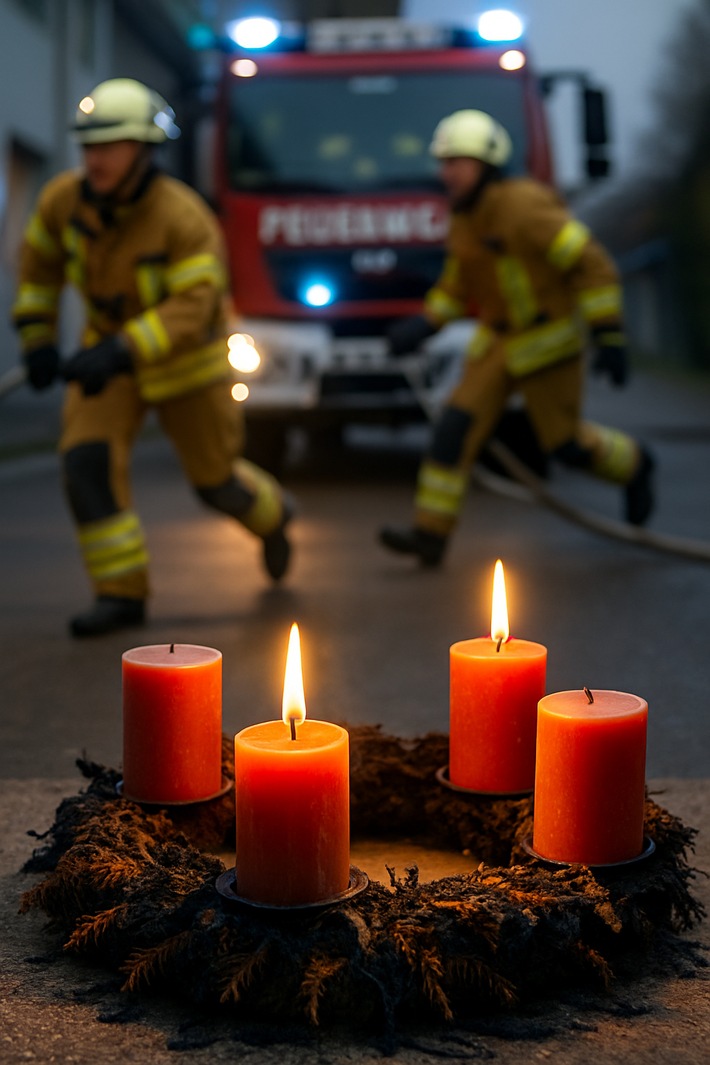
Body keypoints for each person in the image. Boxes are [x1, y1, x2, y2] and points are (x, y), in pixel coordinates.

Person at [12, 78, 294, 636]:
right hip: (108, 360)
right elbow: (38, 273)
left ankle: (273, 517)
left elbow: (193, 306)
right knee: (85, 462)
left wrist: (122, 347)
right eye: (89, 146)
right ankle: (120, 594)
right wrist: (37, 340)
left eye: (110, 146)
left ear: (144, 151)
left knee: (216, 483)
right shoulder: (62, 202)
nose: (95, 159)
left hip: (188, 368)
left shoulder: (184, 218)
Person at [379, 109, 655, 566]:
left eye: (456, 163)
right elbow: (455, 288)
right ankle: (430, 534)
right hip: (496, 347)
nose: (446, 173)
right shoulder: (464, 219)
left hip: (548, 345)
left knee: (567, 448)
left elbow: (592, 265)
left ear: (486, 165)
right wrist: (424, 324)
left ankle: (637, 465)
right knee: (452, 432)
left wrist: (608, 334)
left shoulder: (526, 207)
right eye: (443, 163)